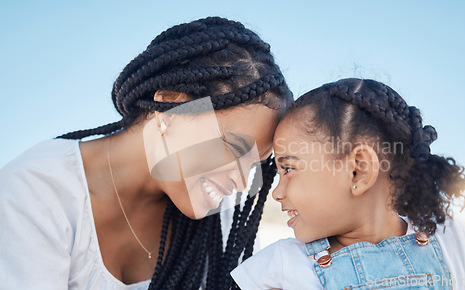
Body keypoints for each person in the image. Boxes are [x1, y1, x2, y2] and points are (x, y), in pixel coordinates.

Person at [0, 17, 293, 289]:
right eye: (232, 148)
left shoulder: (220, 226)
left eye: (254, 164)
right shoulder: (36, 193)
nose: (242, 184)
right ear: (171, 109)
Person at [231, 78, 465, 289]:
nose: (277, 192)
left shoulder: (459, 246)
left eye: (288, 169)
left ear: (358, 171)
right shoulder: (279, 268)